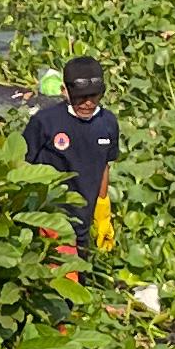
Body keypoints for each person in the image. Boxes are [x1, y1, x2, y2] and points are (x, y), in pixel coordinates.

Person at [21, 58, 120, 251]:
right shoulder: (45, 122)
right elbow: (22, 163)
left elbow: (104, 166)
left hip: (84, 218)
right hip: (51, 218)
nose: (87, 103)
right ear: (64, 91)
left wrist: (102, 210)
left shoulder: (107, 123)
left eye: (94, 96)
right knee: (63, 275)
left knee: (79, 274)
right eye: (80, 97)